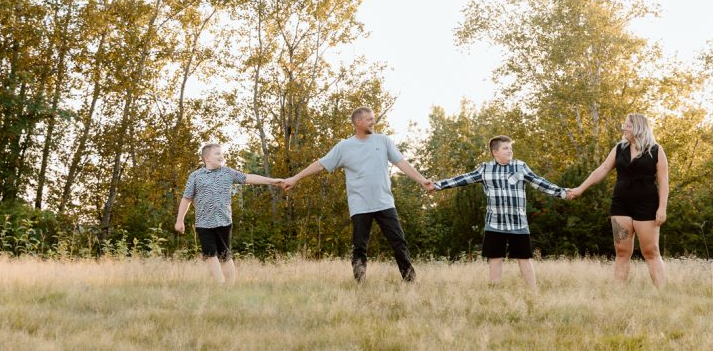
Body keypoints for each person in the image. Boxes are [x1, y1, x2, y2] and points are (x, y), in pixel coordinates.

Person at [280, 107, 432, 283]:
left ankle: (410, 282)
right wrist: (295, 178)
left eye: (373, 118)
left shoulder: (383, 141)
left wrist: (422, 180)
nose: (373, 122)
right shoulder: (344, 146)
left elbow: (401, 163)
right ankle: (360, 285)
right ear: (358, 122)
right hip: (360, 205)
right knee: (360, 248)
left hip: (385, 202)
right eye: (369, 119)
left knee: (399, 243)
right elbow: (320, 164)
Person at [429, 135, 569, 288]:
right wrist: (437, 185)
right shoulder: (485, 169)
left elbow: (540, 182)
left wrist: (563, 192)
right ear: (495, 152)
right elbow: (463, 179)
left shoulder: (520, 166)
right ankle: (495, 292)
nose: (510, 151)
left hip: (518, 223)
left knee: (524, 258)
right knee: (495, 258)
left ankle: (532, 292)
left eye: (511, 148)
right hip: (495, 223)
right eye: (506, 148)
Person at [567, 113, 669, 287]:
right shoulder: (619, 148)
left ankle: (663, 292)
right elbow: (603, 169)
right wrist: (580, 189)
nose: (623, 128)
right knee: (622, 252)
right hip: (621, 205)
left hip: (647, 207)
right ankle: (617, 294)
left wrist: (662, 208)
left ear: (638, 128)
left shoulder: (656, 150)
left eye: (627, 125)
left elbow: (663, 181)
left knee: (650, 252)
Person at [175, 143, 282, 283]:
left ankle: (230, 287)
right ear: (207, 158)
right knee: (210, 255)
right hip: (203, 223)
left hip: (223, 222)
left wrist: (272, 181)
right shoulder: (195, 176)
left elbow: (248, 178)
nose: (221, 156)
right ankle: (220, 285)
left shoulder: (228, 172)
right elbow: (186, 199)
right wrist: (179, 220)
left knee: (224, 256)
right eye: (217, 153)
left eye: (221, 153)